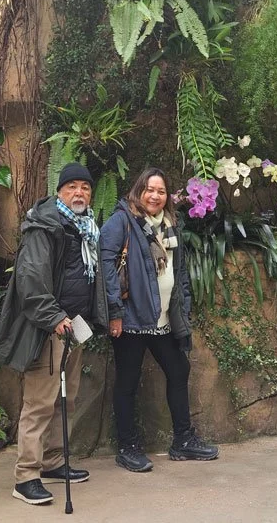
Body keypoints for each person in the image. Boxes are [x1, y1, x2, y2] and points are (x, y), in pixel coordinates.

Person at [0, 163, 108, 505]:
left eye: (85, 188)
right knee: (40, 403)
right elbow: (30, 280)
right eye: (71, 186)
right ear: (59, 191)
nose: (79, 193)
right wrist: (54, 316)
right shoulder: (45, 226)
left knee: (65, 399)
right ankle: (26, 476)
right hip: (49, 328)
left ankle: (54, 461)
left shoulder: (87, 229)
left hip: (74, 328)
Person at [100, 167, 219, 472]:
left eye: (161, 191)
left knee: (178, 370)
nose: (155, 196)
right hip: (132, 319)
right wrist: (114, 314)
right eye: (149, 189)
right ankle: (127, 446)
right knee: (127, 381)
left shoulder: (170, 225)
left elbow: (178, 274)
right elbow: (107, 272)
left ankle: (183, 440)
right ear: (138, 191)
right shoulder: (121, 222)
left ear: (167, 197)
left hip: (163, 317)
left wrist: (183, 308)